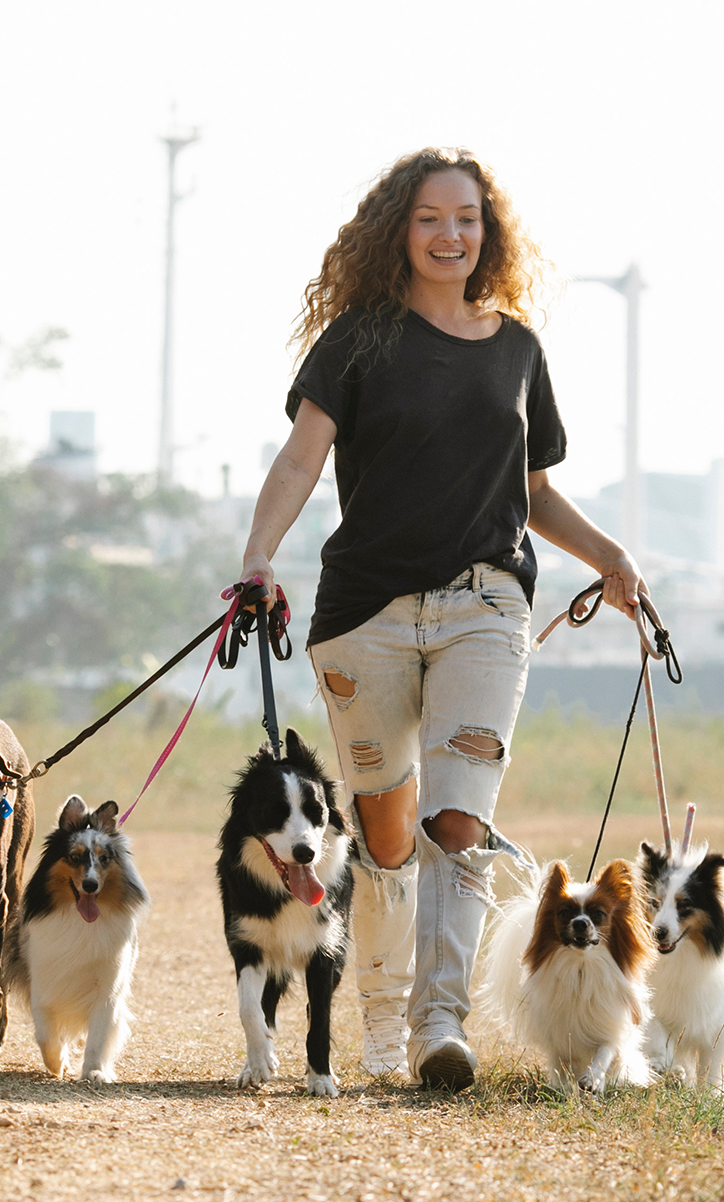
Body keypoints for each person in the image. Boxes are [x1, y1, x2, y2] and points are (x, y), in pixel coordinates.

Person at [239, 147, 645, 1089]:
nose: (450, 234)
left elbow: (533, 491)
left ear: (486, 231)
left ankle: (439, 1024)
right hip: (365, 614)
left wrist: (611, 559)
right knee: (384, 837)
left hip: (486, 606)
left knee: (457, 821)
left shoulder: (518, 350)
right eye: (430, 218)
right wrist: (259, 554)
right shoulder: (358, 341)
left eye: (466, 218)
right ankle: (380, 1014)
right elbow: (301, 461)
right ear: (401, 230)